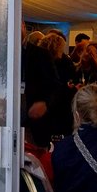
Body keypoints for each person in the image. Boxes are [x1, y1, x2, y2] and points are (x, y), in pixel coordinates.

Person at [20, 20, 60, 180]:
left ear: (23, 26)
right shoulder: (2, 54)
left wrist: (45, 103)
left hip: (35, 122)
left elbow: (55, 85)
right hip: (11, 117)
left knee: (36, 166)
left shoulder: (39, 54)